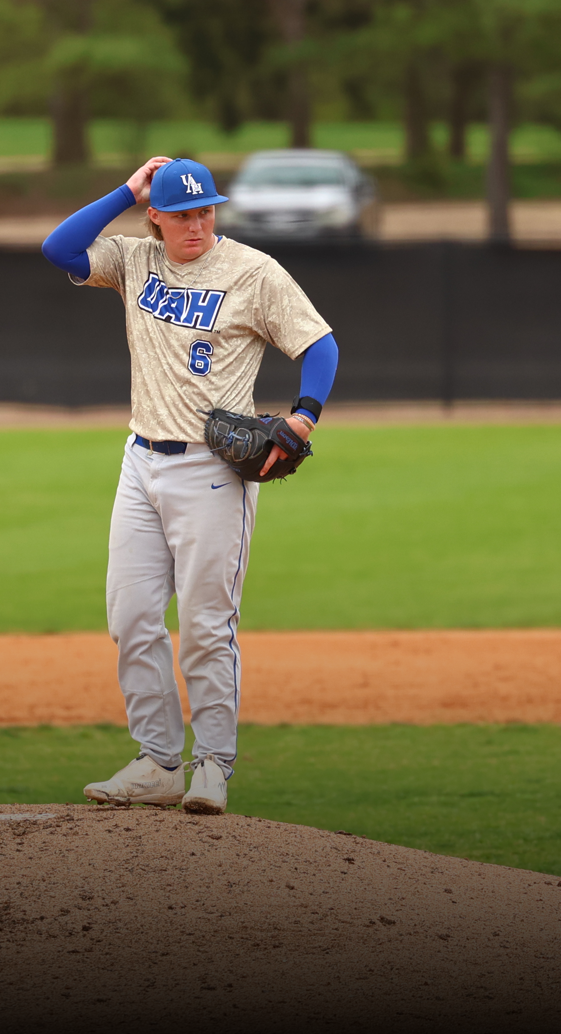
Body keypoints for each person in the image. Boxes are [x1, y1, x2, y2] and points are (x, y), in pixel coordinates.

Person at [40, 156, 340, 815]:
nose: (197, 223)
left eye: (206, 210)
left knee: (206, 624)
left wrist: (303, 415)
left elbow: (320, 345)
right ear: (157, 216)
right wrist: (126, 188)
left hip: (210, 471)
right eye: (182, 214)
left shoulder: (253, 273)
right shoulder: (134, 260)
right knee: (132, 618)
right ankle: (156, 763)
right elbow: (57, 247)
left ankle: (212, 766)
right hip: (139, 460)